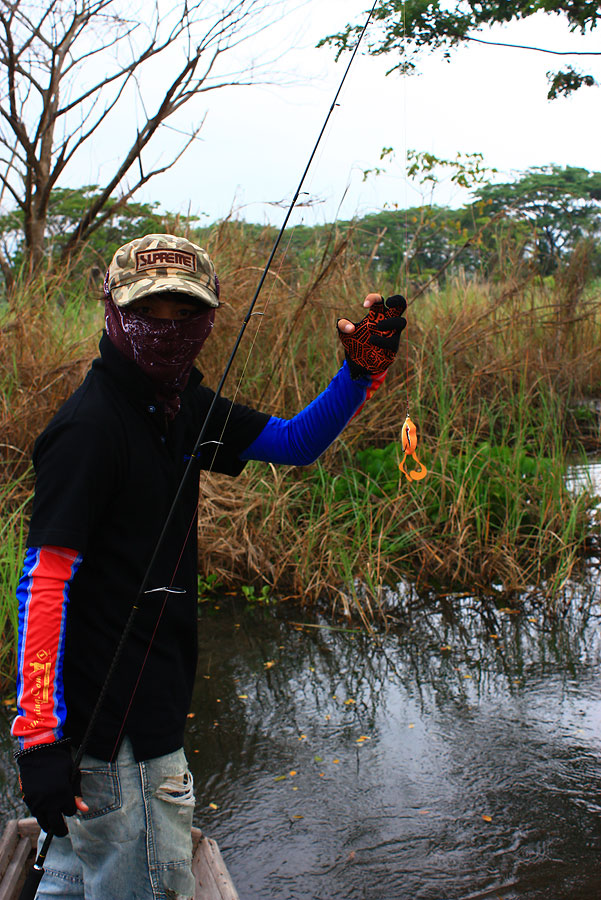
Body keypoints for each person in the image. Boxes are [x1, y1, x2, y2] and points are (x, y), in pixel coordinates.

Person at [12, 233, 406, 900]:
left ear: (211, 315)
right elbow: (45, 579)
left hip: (137, 713)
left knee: (76, 883)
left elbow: (294, 442)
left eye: (183, 314)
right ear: (111, 307)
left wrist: (361, 371)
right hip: (117, 738)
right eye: (149, 311)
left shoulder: (179, 405)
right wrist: (37, 736)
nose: (166, 331)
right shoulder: (91, 427)